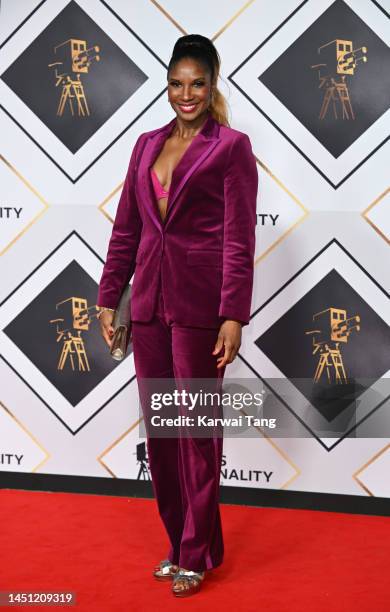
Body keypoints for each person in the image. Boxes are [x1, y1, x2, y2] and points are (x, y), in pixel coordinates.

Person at [96, 34, 258, 598]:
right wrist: (108, 297)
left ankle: (196, 553)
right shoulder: (144, 145)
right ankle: (183, 543)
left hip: (199, 313)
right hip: (147, 313)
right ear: (167, 84)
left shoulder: (232, 147)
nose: (186, 94)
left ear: (212, 85)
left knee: (197, 435)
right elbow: (126, 229)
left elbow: (238, 239)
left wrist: (233, 315)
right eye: (176, 83)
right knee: (163, 438)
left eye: (197, 83)